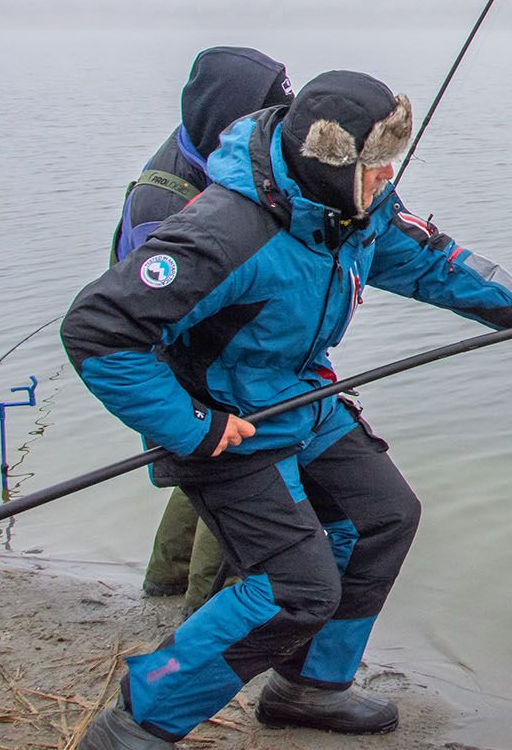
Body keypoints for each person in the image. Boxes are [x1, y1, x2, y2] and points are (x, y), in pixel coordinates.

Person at [64, 70, 512, 748]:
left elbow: (427, 259)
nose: (386, 176)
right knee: (294, 586)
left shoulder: (353, 207)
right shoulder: (225, 233)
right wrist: (192, 426)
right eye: (374, 165)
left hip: (300, 393)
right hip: (223, 420)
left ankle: (309, 687)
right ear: (331, 164)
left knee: (383, 517)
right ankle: (136, 725)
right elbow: (98, 333)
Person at [122, 46, 294, 614]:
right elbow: (146, 315)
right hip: (187, 364)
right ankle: (204, 616)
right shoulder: (161, 202)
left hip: (203, 355)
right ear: (232, 111)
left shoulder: (207, 151)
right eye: (273, 106)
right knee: (231, 475)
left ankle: (163, 586)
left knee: (197, 470)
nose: (283, 117)